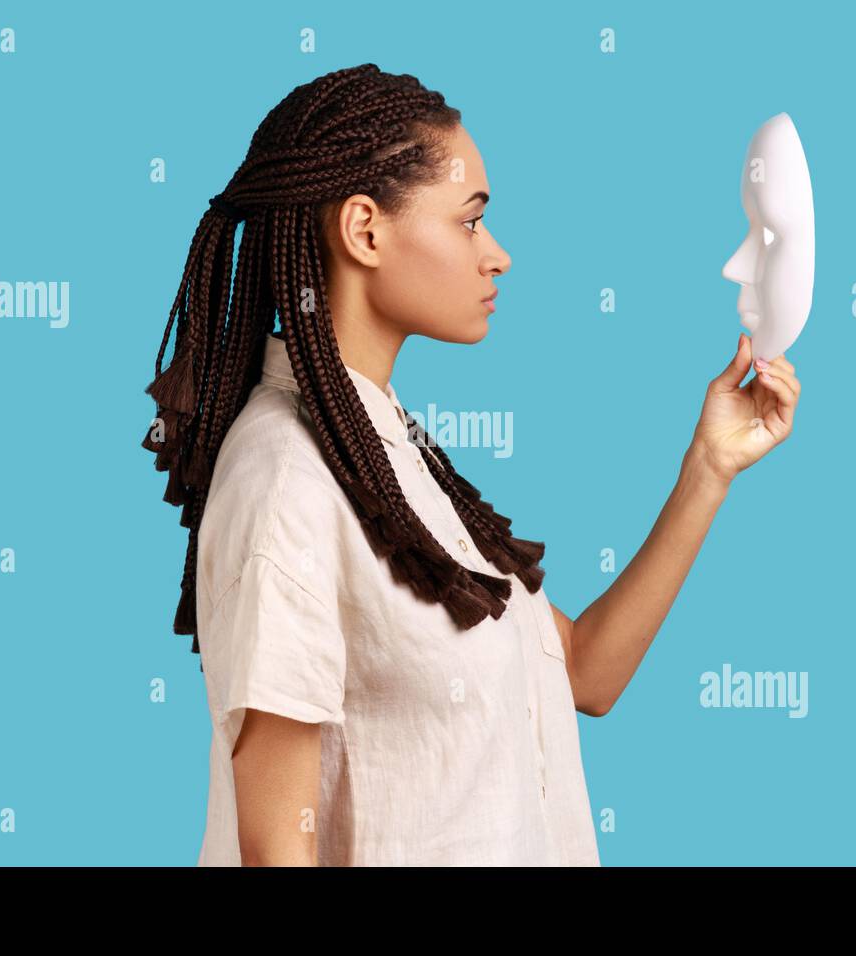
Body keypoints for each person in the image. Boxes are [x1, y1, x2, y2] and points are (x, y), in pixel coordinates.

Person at [141, 63, 801, 866]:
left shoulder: (388, 458)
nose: (499, 256)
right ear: (365, 230)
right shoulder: (288, 481)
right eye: (469, 221)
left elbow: (587, 674)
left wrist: (709, 468)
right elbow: (277, 849)